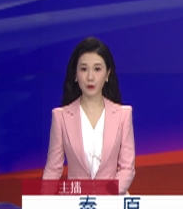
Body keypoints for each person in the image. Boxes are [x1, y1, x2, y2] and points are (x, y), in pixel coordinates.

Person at [42, 37, 136, 195]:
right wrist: (43, 205)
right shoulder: (60, 117)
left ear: (107, 74)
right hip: (76, 203)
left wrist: (106, 195)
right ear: (75, 74)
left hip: (113, 202)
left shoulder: (123, 115)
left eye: (97, 69)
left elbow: (127, 168)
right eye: (84, 69)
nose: (90, 77)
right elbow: (53, 169)